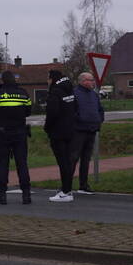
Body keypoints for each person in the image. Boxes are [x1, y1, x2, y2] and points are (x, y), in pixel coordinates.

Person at [0, 70, 33, 205]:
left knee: (3, 164)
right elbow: (28, 111)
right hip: (20, 132)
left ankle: (2, 196)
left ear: (2, 80)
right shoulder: (23, 93)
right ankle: (26, 195)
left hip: (2, 133)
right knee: (22, 164)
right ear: (14, 80)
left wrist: (0, 118)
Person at [44, 69, 77, 203]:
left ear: (52, 79)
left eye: (48, 78)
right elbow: (76, 107)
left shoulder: (55, 92)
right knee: (68, 162)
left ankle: (66, 191)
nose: (47, 81)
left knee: (63, 162)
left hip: (58, 132)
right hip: (70, 130)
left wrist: (47, 128)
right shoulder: (69, 90)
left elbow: (52, 113)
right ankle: (67, 188)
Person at [69, 71, 105, 195]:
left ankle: (83, 185)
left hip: (92, 130)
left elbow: (100, 109)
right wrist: (79, 119)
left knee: (86, 159)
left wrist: (99, 120)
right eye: (90, 80)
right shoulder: (74, 94)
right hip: (78, 131)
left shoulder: (94, 95)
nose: (93, 82)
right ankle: (66, 185)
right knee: (73, 158)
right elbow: (71, 112)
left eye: (93, 80)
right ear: (83, 81)